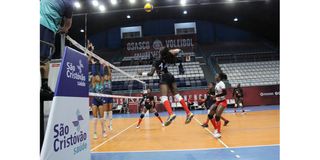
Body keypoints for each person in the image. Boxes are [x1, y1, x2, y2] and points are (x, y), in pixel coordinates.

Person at [138, 47, 194, 126]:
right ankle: (188, 112)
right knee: (177, 95)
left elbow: (151, 74)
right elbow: (178, 50)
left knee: (164, 97)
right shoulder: (167, 57)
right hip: (170, 76)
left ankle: (171, 114)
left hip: (163, 77)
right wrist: (171, 51)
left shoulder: (156, 61)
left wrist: (141, 73)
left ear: (160, 53)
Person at [40, 0, 74, 100]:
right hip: (47, 27)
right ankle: (44, 86)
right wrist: (63, 29)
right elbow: (68, 24)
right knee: (44, 60)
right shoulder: (68, 2)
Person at [207, 73, 228, 138]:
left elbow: (225, 93)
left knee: (217, 116)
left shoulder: (222, 83)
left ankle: (218, 132)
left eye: (216, 75)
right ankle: (216, 128)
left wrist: (215, 96)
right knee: (210, 115)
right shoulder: (217, 84)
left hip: (222, 101)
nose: (215, 76)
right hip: (217, 101)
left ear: (219, 77)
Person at [91, 74, 107, 139]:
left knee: (102, 118)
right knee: (95, 118)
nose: (98, 77)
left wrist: (103, 64)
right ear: (95, 78)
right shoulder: (93, 84)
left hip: (101, 101)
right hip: (95, 101)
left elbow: (102, 75)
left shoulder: (102, 83)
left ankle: (103, 131)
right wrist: (93, 63)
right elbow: (93, 74)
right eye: (96, 77)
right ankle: (94, 133)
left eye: (98, 76)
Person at [101, 64, 114, 130]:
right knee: (105, 111)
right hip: (105, 96)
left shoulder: (110, 80)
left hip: (110, 96)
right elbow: (102, 75)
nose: (106, 77)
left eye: (107, 76)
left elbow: (110, 74)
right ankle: (105, 126)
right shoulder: (103, 81)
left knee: (110, 110)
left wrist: (108, 66)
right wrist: (103, 67)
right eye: (105, 76)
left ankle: (110, 125)